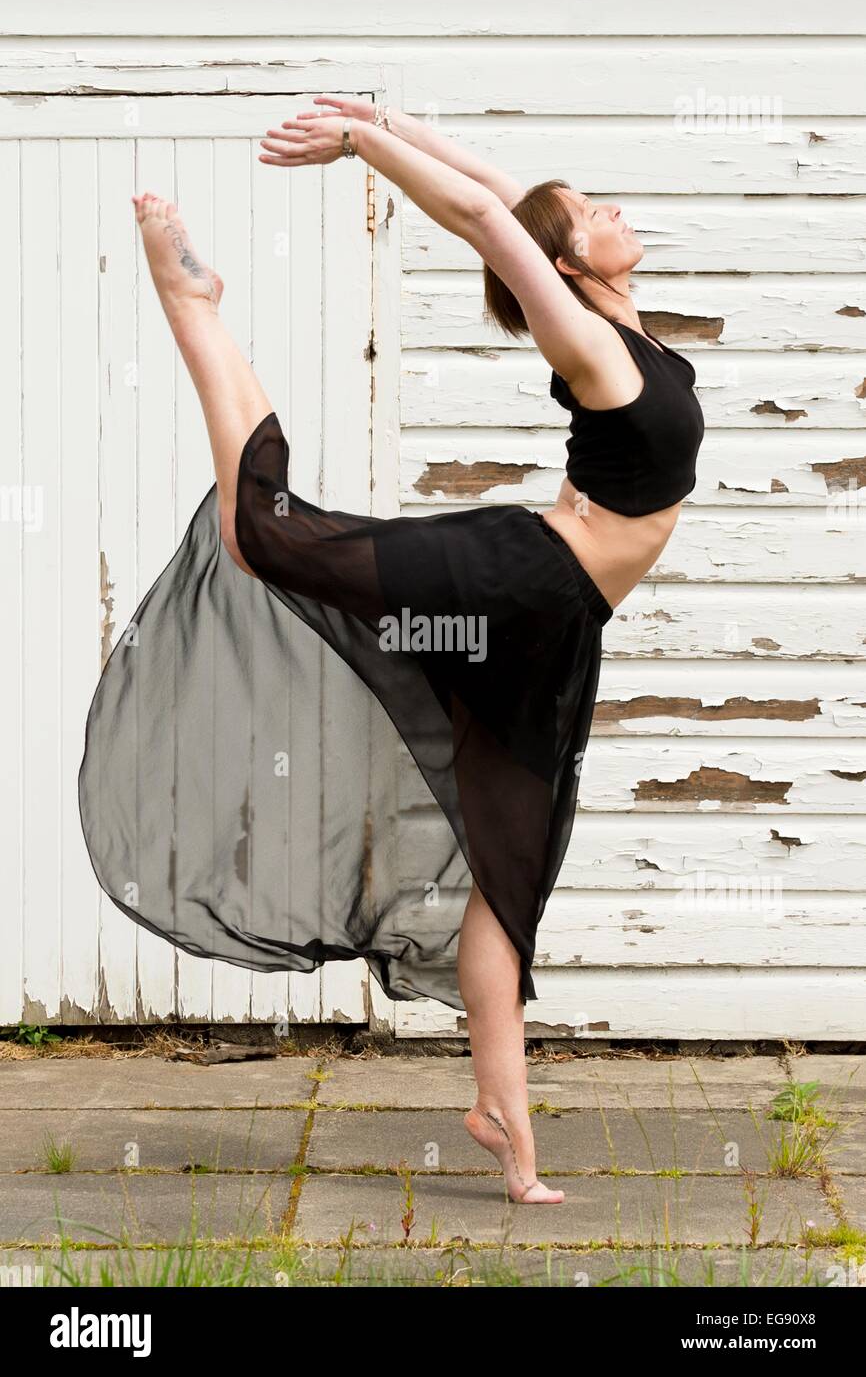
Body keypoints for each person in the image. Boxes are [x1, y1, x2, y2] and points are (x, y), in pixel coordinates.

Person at [79, 96, 703, 1205]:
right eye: (587, 212)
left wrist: (393, 118)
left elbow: (501, 193)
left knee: (504, 888)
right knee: (259, 533)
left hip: (556, 634)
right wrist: (364, 150)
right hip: (518, 583)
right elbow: (484, 217)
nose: (610, 207)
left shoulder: (634, 331)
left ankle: (507, 1139)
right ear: (565, 263)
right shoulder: (590, 344)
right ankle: (196, 308)